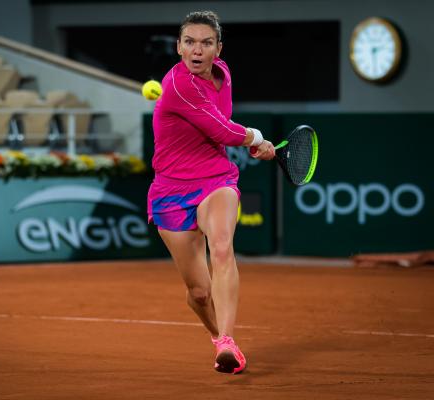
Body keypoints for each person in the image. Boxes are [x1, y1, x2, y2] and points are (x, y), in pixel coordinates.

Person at [147, 10, 275, 374]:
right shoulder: (178, 85)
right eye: (189, 42)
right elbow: (222, 130)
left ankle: (227, 342)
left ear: (218, 49)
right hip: (170, 190)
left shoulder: (223, 74)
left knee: (221, 247)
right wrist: (257, 139)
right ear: (179, 47)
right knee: (200, 293)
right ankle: (220, 336)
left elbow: (220, 126)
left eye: (205, 43)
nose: (197, 50)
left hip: (215, 179)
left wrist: (250, 142)